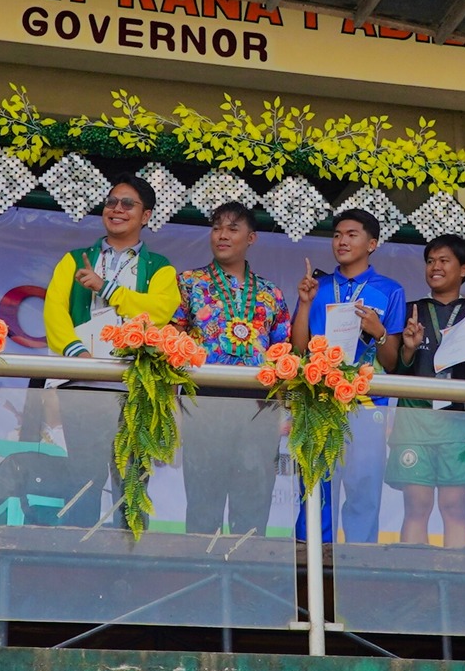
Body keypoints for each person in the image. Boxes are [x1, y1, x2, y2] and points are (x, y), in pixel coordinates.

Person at [43, 176, 183, 526]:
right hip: (83, 382)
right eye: (111, 202)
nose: (116, 209)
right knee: (83, 478)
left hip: (134, 386)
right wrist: (77, 354)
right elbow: (54, 311)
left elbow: (161, 310)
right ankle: (78, 552)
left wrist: (108, 288)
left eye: (127, 204)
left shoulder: (160, 267)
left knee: (133, 479)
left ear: (146, 215)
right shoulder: (74, 260)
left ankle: (130, 551)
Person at [172, 201, 289, 536]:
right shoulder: (189, 283)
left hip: (259, 405)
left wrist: (283, 411)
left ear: (251, 238)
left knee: (254, 501)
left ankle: (247, 567)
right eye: (216, 228)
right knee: (203, 501)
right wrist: (171, 402)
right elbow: (172, 341)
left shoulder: (270, 293)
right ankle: (200, 566)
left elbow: (283, 351)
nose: (222, 235)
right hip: (204, 399)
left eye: (232, 229)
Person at [293, 208, 407, 545]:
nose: (341, 241)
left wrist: (378, 331)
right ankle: (310, 561)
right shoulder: (318, 286)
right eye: (337, 235)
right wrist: (304, 304)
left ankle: (360, 564)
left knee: (364, 490)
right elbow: (298, 350)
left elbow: (392, 361)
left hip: (366, 404)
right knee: (315, 488)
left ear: (372, 243)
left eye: (351, 235)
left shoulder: (390, 291)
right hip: (318, 401)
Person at [386, 235, 465, 549]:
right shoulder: (411, 311)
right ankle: (413, 576)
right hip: (414, 422)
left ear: (464, 269)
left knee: (454, 508)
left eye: (444, 260)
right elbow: (394, 370)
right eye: (430, 261)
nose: (435, 266)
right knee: (416, 506)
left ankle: (457, 576)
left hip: (458, 426)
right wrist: (408, 349)